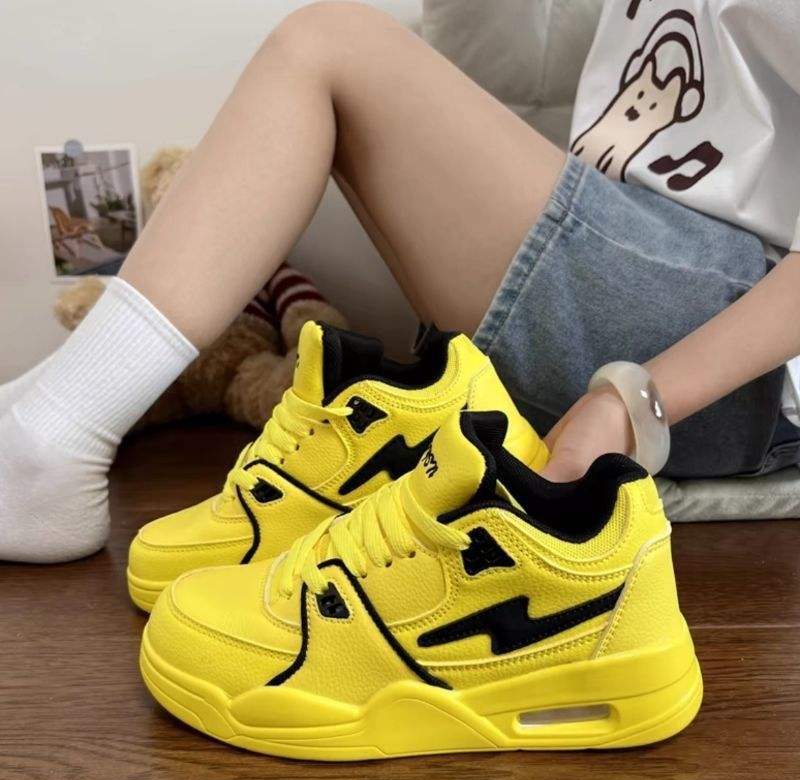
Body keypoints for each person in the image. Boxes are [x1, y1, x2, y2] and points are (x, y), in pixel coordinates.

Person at [1, 0, 798, 562]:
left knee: (330, 44)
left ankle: (52, 434)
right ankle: (45, 415)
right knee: (336, 59)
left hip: (729, 353)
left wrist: (634, 401)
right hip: (657, 252)